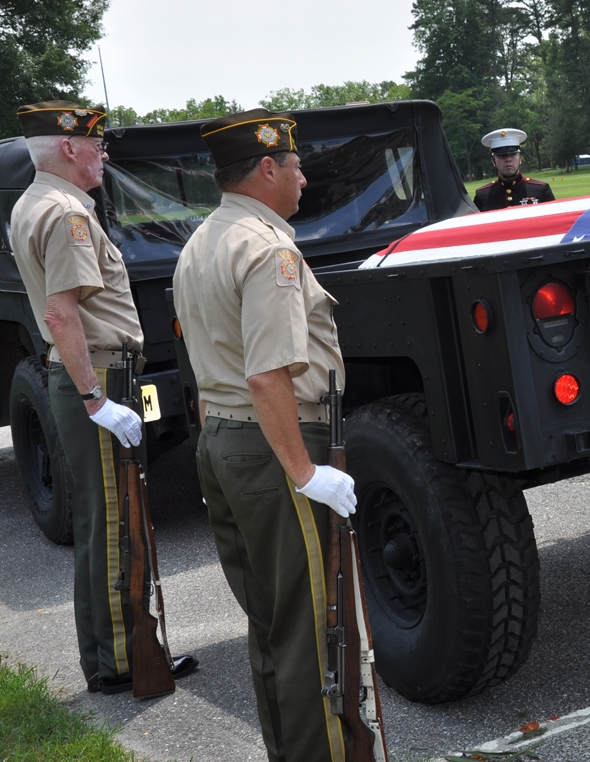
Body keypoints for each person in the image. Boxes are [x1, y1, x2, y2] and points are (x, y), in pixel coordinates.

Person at [173, 109, 356, 762]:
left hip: (225, 441)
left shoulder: (201, 242)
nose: (304, 179)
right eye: (297, 166)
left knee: (273, 620)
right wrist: (306, 472)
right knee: (309, 625)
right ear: (269, 167)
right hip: (276, 446)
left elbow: (209, 361)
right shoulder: (268, 249)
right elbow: (267, 375)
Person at [10, 101, 198, 694]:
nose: (104, 154)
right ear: (69, 148)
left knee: (100, 519)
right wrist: (96, 398)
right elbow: (61, 313)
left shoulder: (33, 202)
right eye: (97, 145)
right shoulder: (67, 213)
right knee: (116, 520)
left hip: (90, 373)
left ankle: (106, 654)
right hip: (98, 374)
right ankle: (121, 659)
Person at [474, 128, 554, 210]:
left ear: (520, 158)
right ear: (493, 161)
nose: (508, 159)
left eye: (513, 154)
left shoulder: (540, 189)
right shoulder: (483, 195)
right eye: (502, 155)